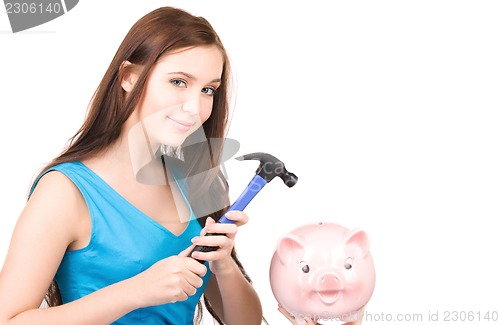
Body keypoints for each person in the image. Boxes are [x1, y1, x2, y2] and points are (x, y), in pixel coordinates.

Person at [0, 6, 263, 325]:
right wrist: (135, 292)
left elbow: (244, 322)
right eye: (179, 82)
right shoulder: (65, 192)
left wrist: (223, 264)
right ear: (129, 77)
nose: (196, 107)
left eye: (208, 89)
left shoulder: (194, 180)